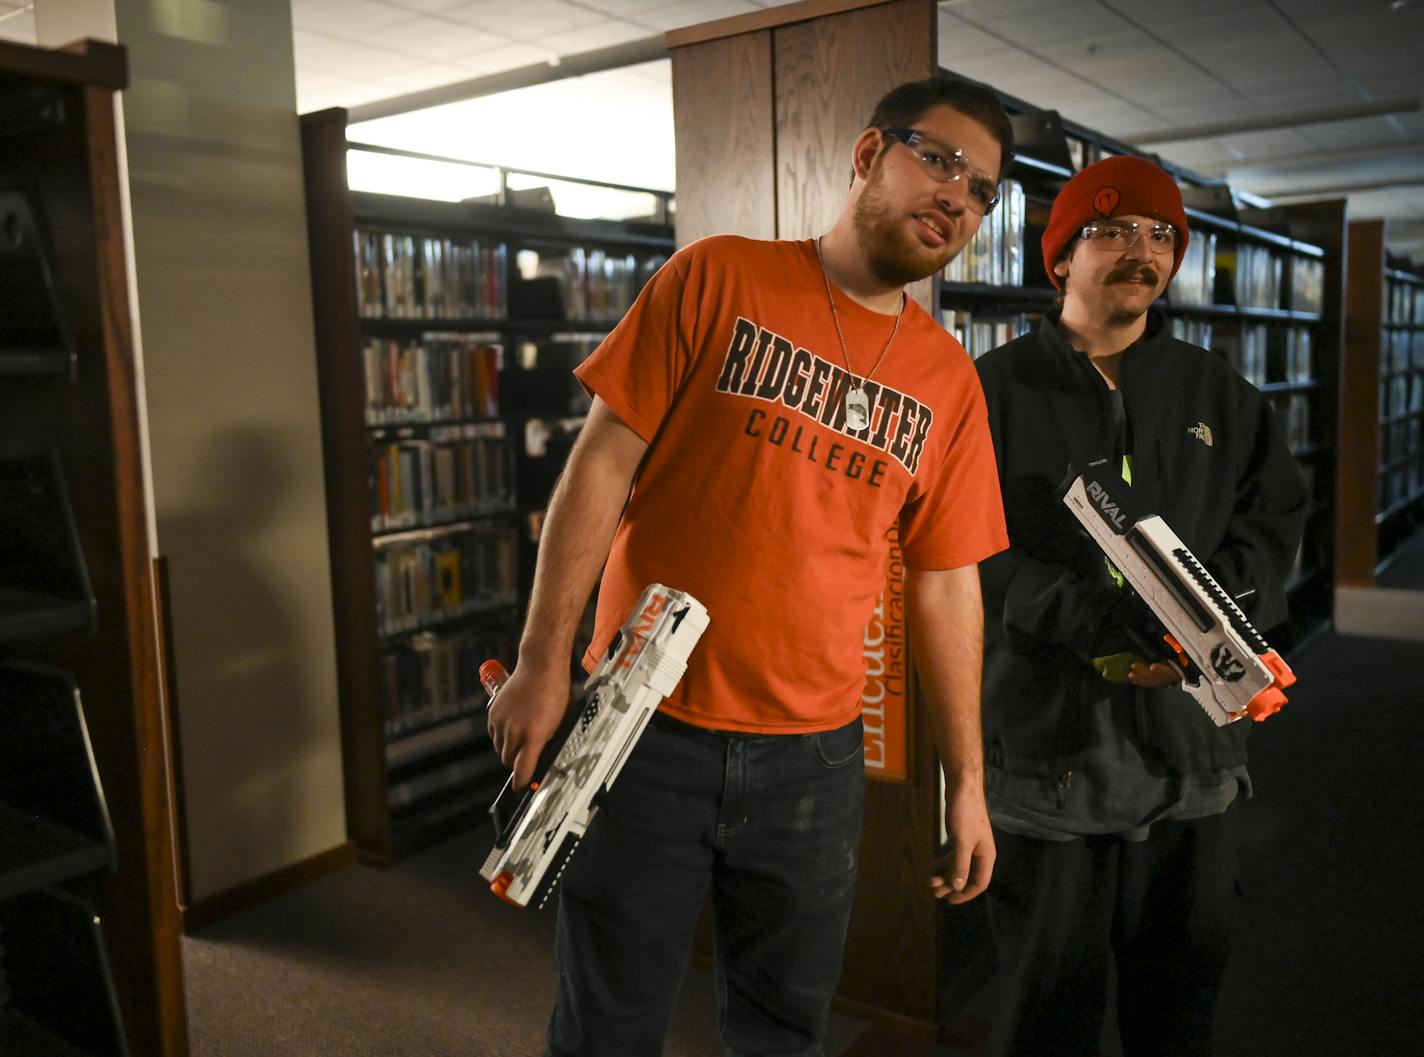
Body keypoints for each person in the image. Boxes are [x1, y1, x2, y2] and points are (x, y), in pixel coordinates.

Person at [487, 77, 1013, 1057]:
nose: (955, 194)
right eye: (936, 159)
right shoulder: (717, 276)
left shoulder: (947, 379)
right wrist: (540, 659)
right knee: (607, 1024)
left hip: (811, 758)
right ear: (867, 154)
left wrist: (965, 780)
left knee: (782, 1031)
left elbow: (946, 582)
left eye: (979, 187)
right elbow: (600, 461)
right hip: (640, 727)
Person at [971, 155, 1309, 1057]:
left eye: (1162, 235)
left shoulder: (1219, 393)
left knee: (1177, 1011)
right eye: (1112, 230)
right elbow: (961, 551)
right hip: (1049, 756)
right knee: (1045, 1016)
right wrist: (1081, 613)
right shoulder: (989, 391)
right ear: (1061, 256)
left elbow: (1274, 521)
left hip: (1193, 762)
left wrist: (1215, 614)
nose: (1141, 250)